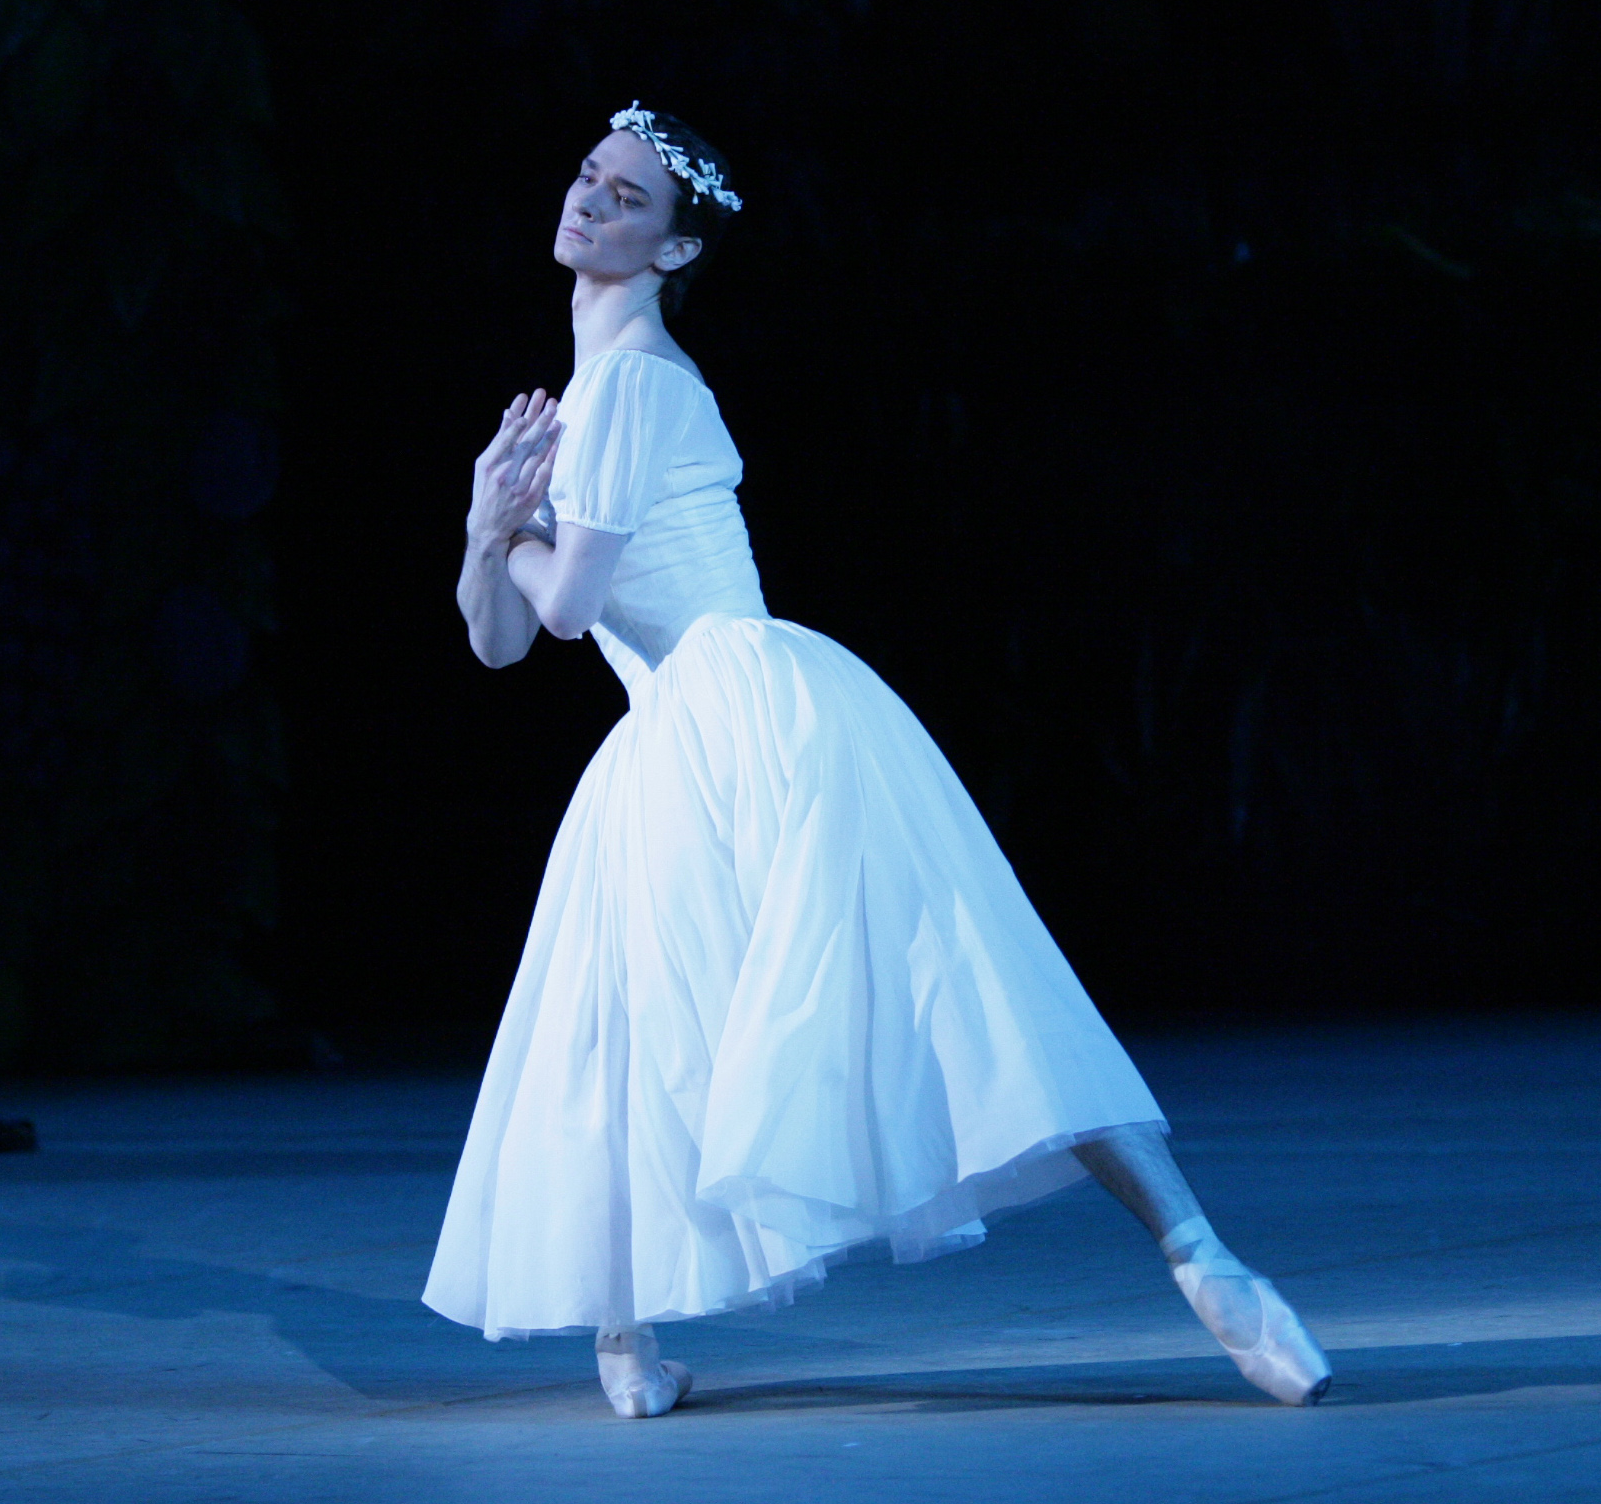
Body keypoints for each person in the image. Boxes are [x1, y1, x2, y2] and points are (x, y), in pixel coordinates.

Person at [422, 103, 1332, 1418]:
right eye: (587, 179)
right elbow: (500, 638)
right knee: (656, 1011)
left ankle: (1204, 1259)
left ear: (674, 254)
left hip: (750, 705)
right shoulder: (578, 402)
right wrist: (479, 529)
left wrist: (510, 528)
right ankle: (630, 1340)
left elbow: (559, 610)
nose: (591, 203)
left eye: (626, 200)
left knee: (938, 980)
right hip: (673, 731)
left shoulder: (634, 380)